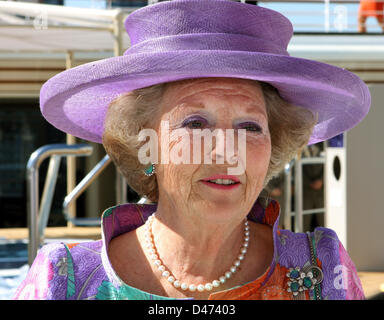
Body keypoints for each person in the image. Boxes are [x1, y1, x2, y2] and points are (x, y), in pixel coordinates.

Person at [14, 0, 370, 300]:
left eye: (250, 127)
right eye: (196, 124)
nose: (227, 152)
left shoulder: (323, 269)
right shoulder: (61, 280)